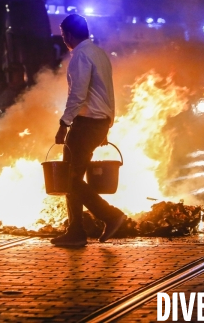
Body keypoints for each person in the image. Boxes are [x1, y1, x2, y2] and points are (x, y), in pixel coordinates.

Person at [52, 14, 126, 247]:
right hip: (98, 122)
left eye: (64, 36)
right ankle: (76, 231)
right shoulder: (99, 53)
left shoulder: (81, 55)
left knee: (70, 178)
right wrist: (107, 123)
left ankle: (109, 216)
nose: (64, 41)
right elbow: (106, 93)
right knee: (73, 177)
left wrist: (64, 124)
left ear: (70, 35)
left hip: (85, 124)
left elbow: (78, 94)